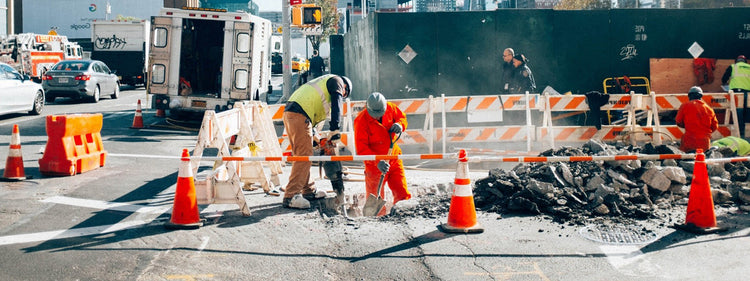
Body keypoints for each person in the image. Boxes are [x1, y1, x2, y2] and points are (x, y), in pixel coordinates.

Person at [281, 74, 352, 209]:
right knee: (304, 155)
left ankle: (308, 190)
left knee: (304, 154)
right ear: (345, 88)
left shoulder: (322, 84)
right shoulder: (337, 81)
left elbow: (312, 111)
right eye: (344, 94)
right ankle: (291, 196)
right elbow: (337, 101)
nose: (342, 95)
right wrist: (335, 129)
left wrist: (315, 137)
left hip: (293, 112)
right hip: (299, 113)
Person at [354, 92, 411, 214]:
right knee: (375, 199)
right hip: (374, 167)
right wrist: (377, 162)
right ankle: (378, 222)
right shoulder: (361, 121)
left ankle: (404, 215)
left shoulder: (391, 108)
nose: (377, 117)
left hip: (394, 158)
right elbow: (361, 149)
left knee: (402, 192)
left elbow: (402, 118)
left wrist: (400, 125)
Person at [675, 86, 718, 153]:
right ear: (701, 96)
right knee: (703, 160)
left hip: (689, 141)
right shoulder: (709, 109)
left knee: (685, 160)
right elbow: (714, 126)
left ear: (689, 96)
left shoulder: (685, 106)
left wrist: (688, 126)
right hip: (704, 143)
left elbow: (678, 121)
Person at [721, 55, 750, 137]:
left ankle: (740, 133)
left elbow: (724, 78)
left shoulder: (733, 66)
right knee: (748, 111)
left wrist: (724, 83)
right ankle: (747, 132)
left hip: (736, 92)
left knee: (738, 111)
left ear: (736, 61)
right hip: (748, 93)